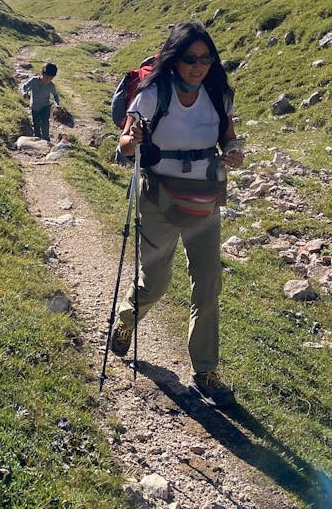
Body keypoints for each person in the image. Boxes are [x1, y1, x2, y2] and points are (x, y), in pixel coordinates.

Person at [110, 22, 244, 406]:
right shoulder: (154, 92)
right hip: (160, 197)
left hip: (204, 196)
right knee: (155, 281)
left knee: (208, 283)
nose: (198, 66)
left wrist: (234, 150)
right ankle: (127, 319)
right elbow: (126, 141)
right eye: (190, 59)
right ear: (175, 59)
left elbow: (229, 135)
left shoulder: (217, 92)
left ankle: (205, 371)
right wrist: (131, 141)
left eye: (205, 59)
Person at [21, 62, 60, 143]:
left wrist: (57, 104)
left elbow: (56, 95)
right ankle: (37, 141)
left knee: (45, 124)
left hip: (45, 107)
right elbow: (24, 86)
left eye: (50, 79)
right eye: (46, 78)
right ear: (42, 73)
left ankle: (46, 140)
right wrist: (24, 93)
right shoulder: (34, 81)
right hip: (34, 107)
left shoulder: (51, 86)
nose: (47, 80)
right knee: (36, 125)